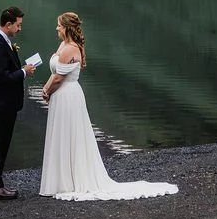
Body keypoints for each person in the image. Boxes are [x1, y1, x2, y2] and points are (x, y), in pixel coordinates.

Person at [39, 11, 178, 202]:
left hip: (68, 95)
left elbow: (59, 77)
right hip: (60, 95)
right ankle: (62, 179)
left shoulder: (71, 48)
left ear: (67, 28)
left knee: (70, 134)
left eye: (59, 25)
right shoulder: (64, 44)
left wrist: (46, 90)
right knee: (62, 134)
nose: (57, 28)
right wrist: (46, 91)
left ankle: (69, 181)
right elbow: (56, 71)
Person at [0, 5, 39, 200]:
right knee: (0, 144)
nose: (19, 29)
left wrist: (22, 68)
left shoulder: (3, 40)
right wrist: (24, 72)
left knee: (3, 143)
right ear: (8, 24)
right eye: (18, 25)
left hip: (6, 102)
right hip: (3, 103)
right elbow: (2, 77)